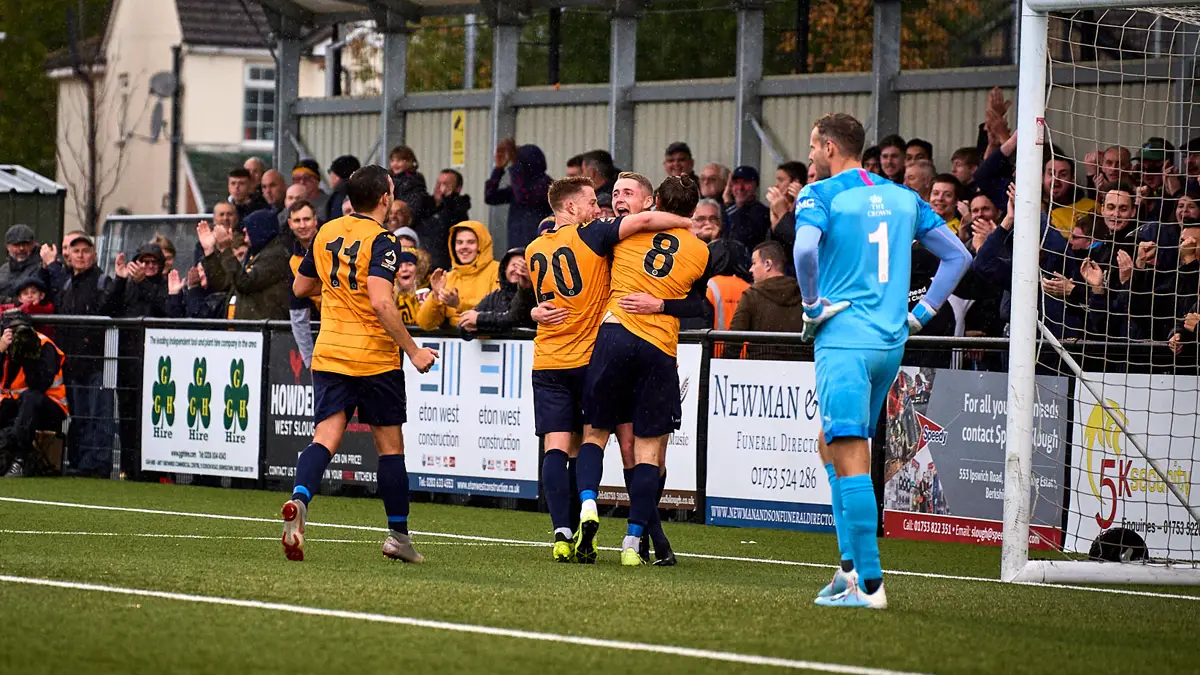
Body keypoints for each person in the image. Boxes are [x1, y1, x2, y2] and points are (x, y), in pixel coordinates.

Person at [793, 113, 969, 609]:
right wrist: (924, 312)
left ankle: (869, 585)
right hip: (889, 343)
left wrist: (811, 306)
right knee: (831, 444)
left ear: (830, 147)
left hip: (843, 340)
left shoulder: (821, 196)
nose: (809, 157)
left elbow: (805, 251)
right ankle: (847, 569)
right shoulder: (905, 198)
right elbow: (958, 256)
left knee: (850, 456)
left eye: (812, 147)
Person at [526, 175, 696, 563]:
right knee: (630, 450)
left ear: (649, 199)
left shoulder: (538, 246)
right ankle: (636, 538)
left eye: (623, 195)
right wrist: (686, 221)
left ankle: (569, 530)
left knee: (572, 447)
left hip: (562, 358)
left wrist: (533, 310)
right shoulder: (599, 236)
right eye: (597, 200)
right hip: (600, 355)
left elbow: (529, 298)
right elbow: (642, 226)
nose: (604, 205)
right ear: (571, 207)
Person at [283, 164, 439, 563]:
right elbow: (382, 302)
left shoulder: (327, 231)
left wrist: (339, 280)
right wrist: (414, 351)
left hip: (331, 352)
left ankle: (300, 499)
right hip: (373, 358)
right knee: (390, 449)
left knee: (325, 438)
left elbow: (301, 287)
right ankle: (398, 537)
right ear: (385, 198)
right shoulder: (385, 242)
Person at [578, 175, 709, 567]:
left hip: (614, 334)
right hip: (657, 346)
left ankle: (587, 504)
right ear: (692, 208)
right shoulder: (701, 250)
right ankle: (635, 543)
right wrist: (662, 305)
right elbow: (700, 307)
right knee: (651, 451)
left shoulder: (622, 234)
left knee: (594, 433)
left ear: (654, 202)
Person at [44, 233, 116, 476]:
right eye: (77, 251)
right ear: (69, 255)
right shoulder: (66, 285)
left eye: (85, 251)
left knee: (99, 416)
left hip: (97, 363)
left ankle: (97, 464)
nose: (81, 255)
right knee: (79, 416)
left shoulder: (103, 282)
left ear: (94, 255)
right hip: (72, 363)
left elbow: (107, 311)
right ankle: (80, 462)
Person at [0, 310, 69, 477]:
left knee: (30, 399)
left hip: (50, 407)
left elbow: (39, 384)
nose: (17, 336)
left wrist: (27, 355)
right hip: (17, 404)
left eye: (20, 330)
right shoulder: (3, 345)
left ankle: (20, 459)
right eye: (12, 331)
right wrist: (1, 351)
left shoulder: (44, 345)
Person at [199, 209, 291, 321]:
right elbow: (223, 284)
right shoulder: (255, 254)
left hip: (262, 330)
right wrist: (209, 253)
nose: (244, 230)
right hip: (244, 330)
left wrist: (225, 249)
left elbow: (244, 283)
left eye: (249, 226)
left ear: (260, 228)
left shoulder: (276, 256)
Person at [416, 222, 500, 329]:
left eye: (471, 242)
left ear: (483, 245)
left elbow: (498, 312)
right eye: (459, 242)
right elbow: (425, 324)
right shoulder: (447, 278)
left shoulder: (498, 271)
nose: (464, 247)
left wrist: (459, 304)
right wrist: (435, 296)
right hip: (456, 343)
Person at [729, 241, 805, 339]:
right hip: (799, 354)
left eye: (754, 263)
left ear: (767, 264)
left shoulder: (751, 295)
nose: (750, 269)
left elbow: (733, 339)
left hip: (760, 354)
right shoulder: (804, 294)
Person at [485, 141, 553, 249]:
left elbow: (524, 197)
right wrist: (498, 169)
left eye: (519, 163)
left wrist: (515, 168)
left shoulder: (546, 185)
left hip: (538, 249)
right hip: (517, 247)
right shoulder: (518, 188)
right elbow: (491, 197)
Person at [457, 248, 532, 336]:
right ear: (505, 269)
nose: (518, 271)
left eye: (523, 267)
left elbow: (515, 319)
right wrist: (470, 329)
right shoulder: (494, 297)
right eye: (514, 265)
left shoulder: (536, 297)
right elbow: (466, 323)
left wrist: (480, 320)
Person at [417, 169, 471, 272]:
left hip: (443, 268)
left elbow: (447, 227)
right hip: (420, 266)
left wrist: (448, 199)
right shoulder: (425, 205)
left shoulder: (458, 210)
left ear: (458, 189)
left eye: (445, 184)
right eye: (438, 182)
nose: (439, 187)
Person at [723, 166, 771, 251]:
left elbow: (743, 239)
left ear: (756, 185)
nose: (740, 188)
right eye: (736, 183)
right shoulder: (727, 209)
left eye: (746, 182)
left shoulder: (762, 213)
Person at [388, 145, 430, 223]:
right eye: (392, 160)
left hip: (402, 220)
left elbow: (414, 205)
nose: (395, 164)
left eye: (399, 161)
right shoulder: (389, 178)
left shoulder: (414, 180)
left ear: (410, 162)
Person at [0, 225, 41, 301]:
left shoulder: (41, 268)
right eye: (17, 245)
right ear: (8, 247)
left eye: (25, 244)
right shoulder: (2, 271)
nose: (21, 248)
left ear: (33, 245)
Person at [325, 155, 361, 223]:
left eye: (330, 172)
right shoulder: (365, 193)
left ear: (336, 176)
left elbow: (335, 221)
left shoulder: (339, 196)